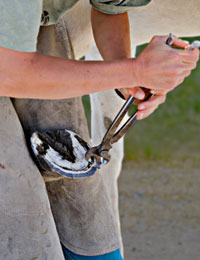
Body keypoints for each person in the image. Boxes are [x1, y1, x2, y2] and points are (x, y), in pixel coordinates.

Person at [0, 1, 199, 259]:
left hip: (38, 24)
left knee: (85, 213)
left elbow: (110, 9)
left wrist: (130, 77)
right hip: (9, 61)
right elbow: (8, 73)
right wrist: (134, 69)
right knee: (18, 211)